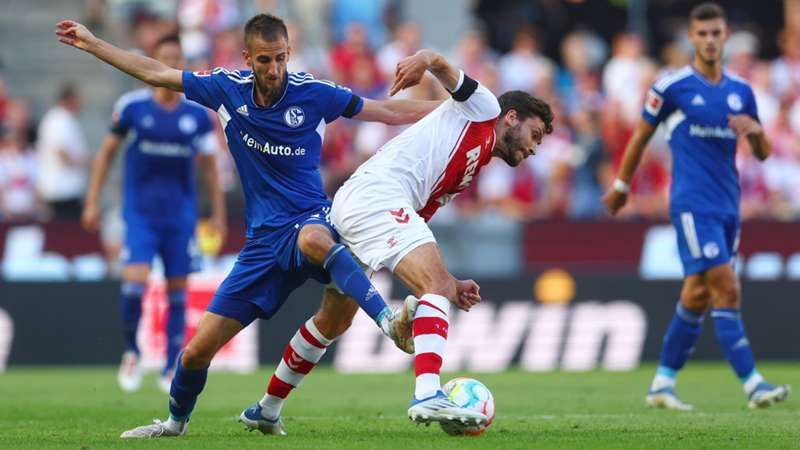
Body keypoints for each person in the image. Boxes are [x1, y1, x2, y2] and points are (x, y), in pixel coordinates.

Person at [56, 13, 438, 438]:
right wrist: (94, 44)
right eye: (264, 60)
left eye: (280, 58)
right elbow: (156, 72)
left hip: (312, 219)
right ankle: (175, 424)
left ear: (289, 54)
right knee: (196, 352)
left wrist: (456, 112)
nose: (274, 69)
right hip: (262, 244)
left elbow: (387, 110)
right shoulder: (225, 88)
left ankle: (389, 322)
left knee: (317, 245)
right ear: (247, 58)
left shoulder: (314, 93)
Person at [257, 48, 554, 430]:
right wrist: (424, 61)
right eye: (534, 135)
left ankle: (266, 409)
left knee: (334, 320)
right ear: (511, 117)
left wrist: (449, 282)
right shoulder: (485, 109)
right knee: (434, 286)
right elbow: (442, 66)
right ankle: (427, 393)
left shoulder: (473, 157)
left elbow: (417, 224)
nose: (533, 148)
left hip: (369, 201)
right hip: (378, 196)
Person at [603, 2, 790, 410]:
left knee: (698, 294)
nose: (709, 40)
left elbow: (762, 153)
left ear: (726, 37)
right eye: (702, 33)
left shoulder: (741, 92)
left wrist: (756, 132)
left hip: (728, 204)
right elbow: (639, 137)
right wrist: (621, 185)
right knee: (726, 285)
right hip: (691, 203)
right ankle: (753, 384)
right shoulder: (672, 88)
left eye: (716, 33)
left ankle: (662, 385)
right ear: (691, 37)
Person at [80, 34, 226, 394]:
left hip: (180, 215)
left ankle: (170, 363)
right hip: (140, 214)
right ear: (152, 62)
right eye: (164, 58)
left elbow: (211, 168)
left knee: (178, 289)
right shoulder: (132, 107)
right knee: (135, 281)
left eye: (177, 59)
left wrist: (218, 214)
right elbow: (106, 153)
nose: (170, 64)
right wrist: (92, 200)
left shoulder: (197, 115)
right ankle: (131, 351)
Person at [36, 82, 89, 219]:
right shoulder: (59, 119)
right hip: (62, 190)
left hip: (65, 190)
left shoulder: (61, 118)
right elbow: (60, 152)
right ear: (70, 99)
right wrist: (83, 163)